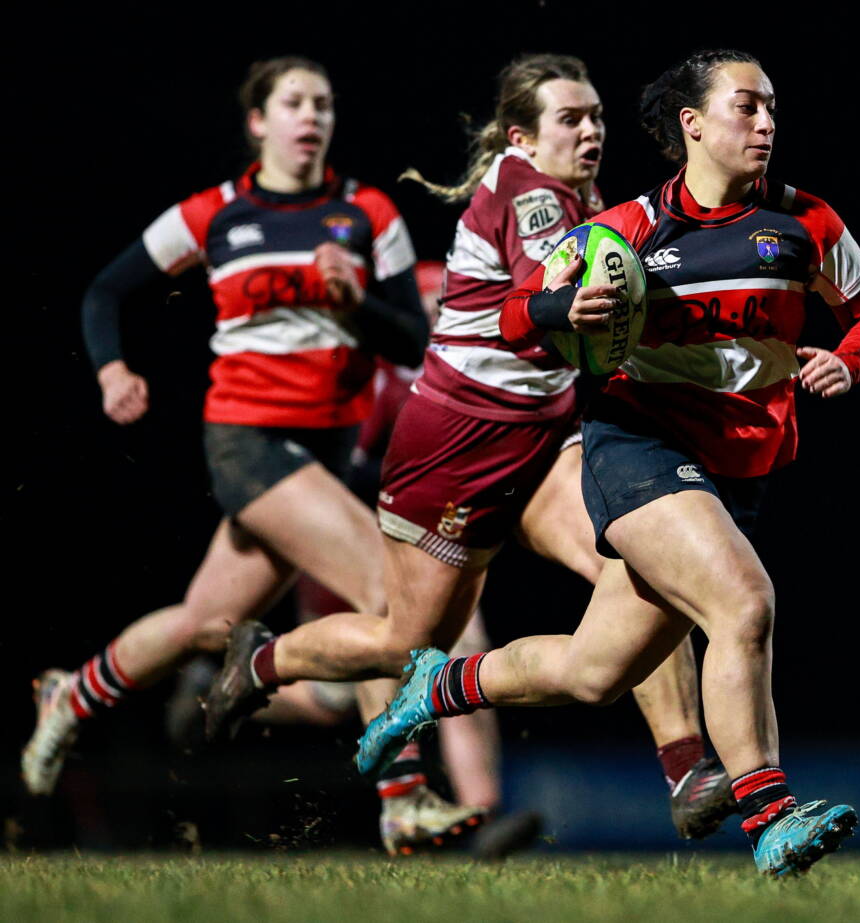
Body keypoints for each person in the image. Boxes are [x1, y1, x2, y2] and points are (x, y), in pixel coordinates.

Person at [357, 48, 860, 877]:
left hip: (739, 470)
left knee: (593, 669)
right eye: (746, 108)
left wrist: (849, 362)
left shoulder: (806, 224)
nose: (766, 124)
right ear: (693, 127)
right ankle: (772, 817)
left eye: (773, 109)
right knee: (744, 602)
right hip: (638, 446)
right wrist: (557, 304)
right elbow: (511, 314)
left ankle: (437, 684)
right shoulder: (625, 231)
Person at [204, 53, 737, 843]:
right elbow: (538, 293)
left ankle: (688, 767)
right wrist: (583, 305)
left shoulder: (581, 194)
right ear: (522, 135)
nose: (590, 130)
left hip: (546, 438)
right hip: (454, 446)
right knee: (405, 642)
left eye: (595, 116)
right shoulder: (529, 191)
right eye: (570, 118)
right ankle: (261, 662)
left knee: (642, 564)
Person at [18, 56, 465, 846]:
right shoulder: (214, 214)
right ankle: (404, 795)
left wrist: (352, 301)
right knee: (384, 590)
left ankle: (72, 694)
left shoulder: (368, 213)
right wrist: (112, 368)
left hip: (323, 455)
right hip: (247, 441)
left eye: (323, 103)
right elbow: (104, 292)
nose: (311, 116)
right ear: (258, 121)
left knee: (203, 620)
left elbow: (415, 338)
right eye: (293, 102)